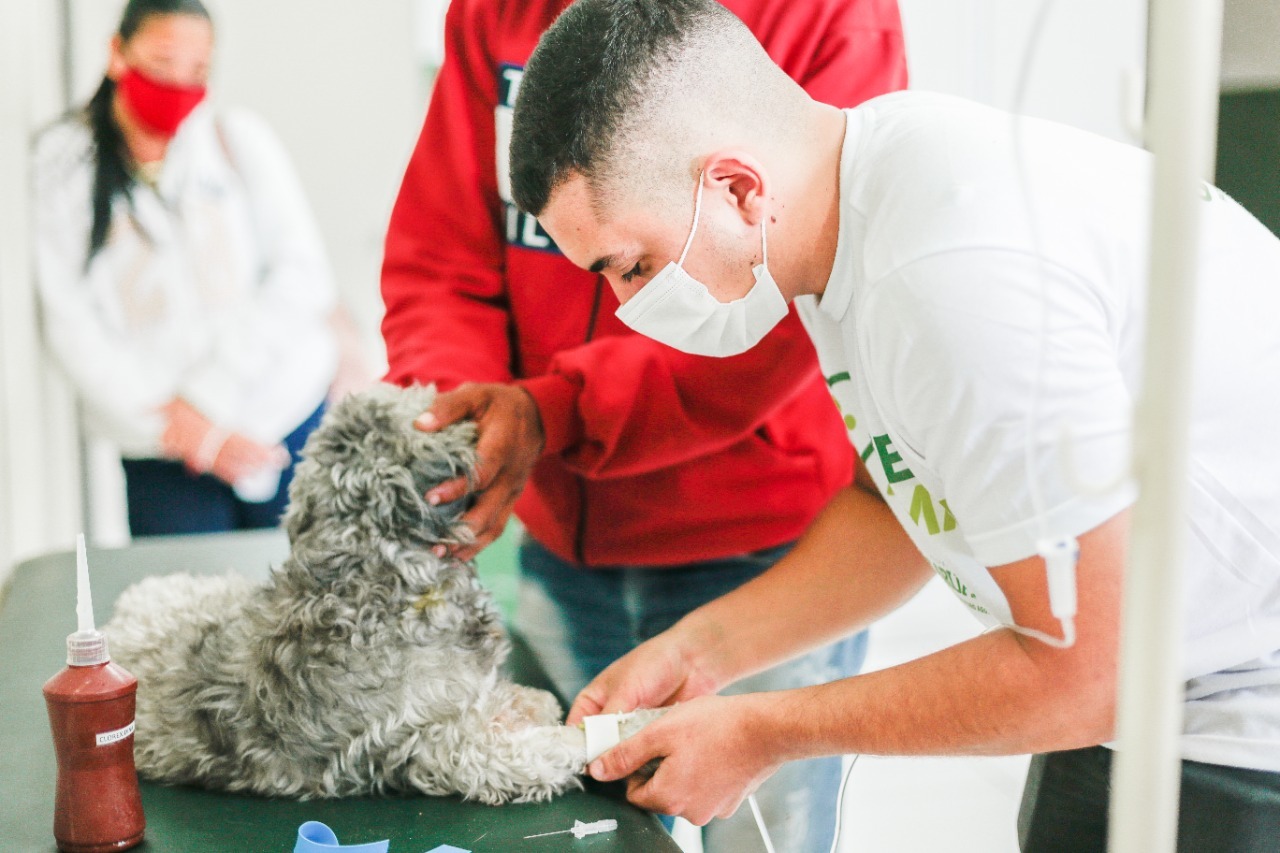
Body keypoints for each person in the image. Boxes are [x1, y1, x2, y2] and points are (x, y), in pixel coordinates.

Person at [507, 0, 1280, 850]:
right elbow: (895, 509)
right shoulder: (854, 204)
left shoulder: (947, 277)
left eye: (633, 267)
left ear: (735, 188)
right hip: (1139, 696)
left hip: (1239, 722)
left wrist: (764, 732)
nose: (625, 310)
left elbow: (1086, 670)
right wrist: (701, 650)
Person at [380, 0, 906, 849]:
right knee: (573, 830)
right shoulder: (493, 14)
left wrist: (554, 411)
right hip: (561, 544)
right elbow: (443, 247)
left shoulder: (826, 16)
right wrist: (465, 416)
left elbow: (782, 280)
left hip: (763, 552)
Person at [33, 0, 344, 537]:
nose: (178, 83)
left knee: (310, 600)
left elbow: (304, 276)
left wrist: (209, 396)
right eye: (161, 62)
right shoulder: (63, 166)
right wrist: (188, 430)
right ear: (116, 53)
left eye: (198, 70)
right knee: (189, 608)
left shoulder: (236, 139)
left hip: (282, 418)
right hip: (163, 452)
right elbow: (71, 324)